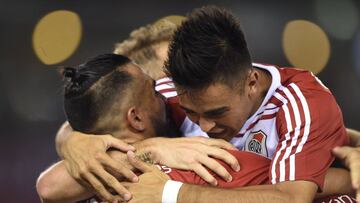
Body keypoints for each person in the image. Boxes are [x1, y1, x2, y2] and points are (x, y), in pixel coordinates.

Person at [55, 11, 360, 203]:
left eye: (217, 112)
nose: (204, 127)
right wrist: (72, 139)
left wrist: (170, 194)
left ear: (251, 82)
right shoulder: (168, 94)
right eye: (190, 112)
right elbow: (103, 114)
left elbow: (293, 198)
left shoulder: (302, 105)